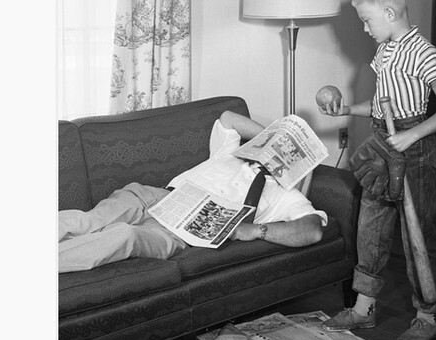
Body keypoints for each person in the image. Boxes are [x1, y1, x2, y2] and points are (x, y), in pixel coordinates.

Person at [318, 0, 436, 340]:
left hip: (413, 151)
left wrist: (412, 135)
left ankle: (427, 315)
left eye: (367, 21)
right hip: (382, 144)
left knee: (417, 232)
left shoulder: (424, 53)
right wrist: (348, 109)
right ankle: (363, 308)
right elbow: (382, 106)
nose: (364, 29)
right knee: (371, 227)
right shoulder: (384, 52)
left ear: (388, 12)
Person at [59, 110, 327, 273]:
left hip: (181, 232)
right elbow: (229, 119)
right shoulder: (231, 152)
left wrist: (257, 231)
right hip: (155, 196)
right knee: (87, 221)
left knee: (123, 236)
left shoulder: (285, 195)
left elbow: (312, 230)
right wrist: (272, 138)